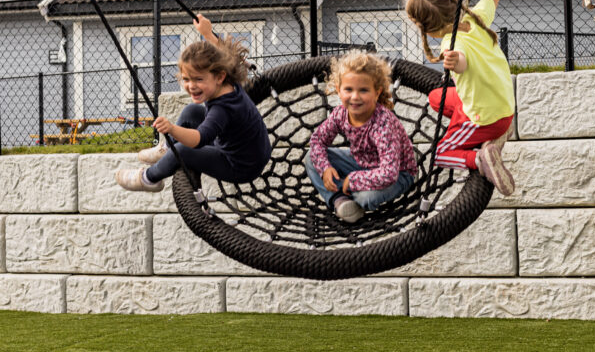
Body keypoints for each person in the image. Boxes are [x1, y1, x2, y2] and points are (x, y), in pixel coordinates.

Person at [404, 0, 515, 196]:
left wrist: (455, 62)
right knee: (436, 98)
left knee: (440, 154)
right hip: (504, 105)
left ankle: (482, 158)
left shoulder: (450, 44)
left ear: (428, 29)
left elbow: (461, 62)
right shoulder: (476, 16)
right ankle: (495, 134)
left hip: (485, 118)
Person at [115, 30, 271, 193]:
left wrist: (172, 129)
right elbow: (228, 53)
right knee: (192, 111)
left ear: (219, 77)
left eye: (199, 79)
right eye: (186, 79)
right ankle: (168, 148)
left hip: (240, 165)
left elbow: (198, 139)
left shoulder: (222, 110)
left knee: (183, 150)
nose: (191, 86)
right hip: (250, 150)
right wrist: (208, 31)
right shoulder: (229, 80)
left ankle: (148, 178)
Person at [304, 50, 418, 223]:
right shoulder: (340, 114)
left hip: (398, 173)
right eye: (348, 89)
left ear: (377, 92)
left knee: (366, 198)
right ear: (338, 90)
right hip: (360, 163)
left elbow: (388, 174)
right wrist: (325, 168)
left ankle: (350, 193)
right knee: (311, 159)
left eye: (363, 90)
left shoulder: (383, 123)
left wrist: (353, 179)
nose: (355, 97)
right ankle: (340, 201)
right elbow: (318, 141)